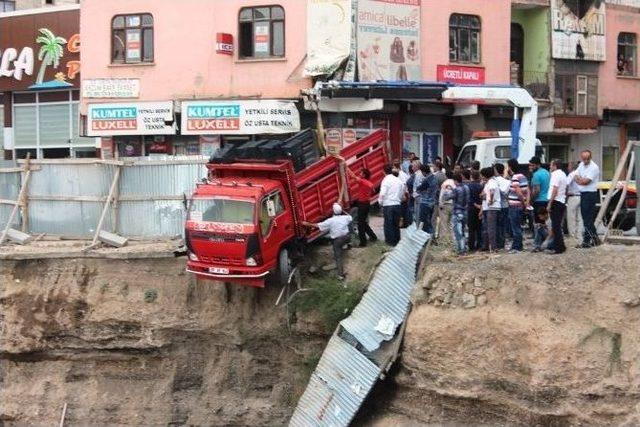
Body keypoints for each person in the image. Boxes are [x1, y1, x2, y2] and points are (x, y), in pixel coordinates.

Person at [303, 203, 352, 280]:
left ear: (333, 211)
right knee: (347, 232)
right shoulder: (345, 218)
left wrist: (307, 224)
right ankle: (348, 245)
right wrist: (342, 210)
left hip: (338, 240)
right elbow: (350, 217)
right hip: (347, 237)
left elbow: (317, 226)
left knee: (338, 257)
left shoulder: (330, 221)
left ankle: (340, 275)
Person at [574, 150, 601, 248]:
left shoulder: (594, 167)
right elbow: (575, 175)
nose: (585, 161)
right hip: (583, 194)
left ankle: (587, 241)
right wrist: (579, 179)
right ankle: (595, 239)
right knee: (586, 218)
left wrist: (579, 180)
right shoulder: (581, 164)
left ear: (590, 157)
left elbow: (586, 182)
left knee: (587, 219)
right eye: (583, 159)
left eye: (587, 159)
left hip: (590, 194)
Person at [347, 167, 378, 247]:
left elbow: (353, 176)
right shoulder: (369, 183)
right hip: (367, 203)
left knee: (361, 224)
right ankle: (373, 236)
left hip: (362, 204)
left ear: (364, 175)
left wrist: (346, 167)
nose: (359, 174)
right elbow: (373, 190)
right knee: (363, 222)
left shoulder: (362, 181)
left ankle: (363, 243)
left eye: (361, 173)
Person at [442, 173, 470, 255]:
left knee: (458, 232)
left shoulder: (456, 189)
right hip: (465, 211)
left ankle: (461, 250)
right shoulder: (466, 187)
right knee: (463, 230)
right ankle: (464, 247)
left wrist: (446, 190)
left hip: (457, 212)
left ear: (455, 180)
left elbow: (446, 197)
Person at [506, 158, 530, 253]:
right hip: (520, 205)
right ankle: (518, 245)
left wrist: (523, 203)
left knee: (515, 227)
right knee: (518, 226)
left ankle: (517, 247)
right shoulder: (523, 176)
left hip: (515, 205)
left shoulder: (515, 177)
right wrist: (526, 203)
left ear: (510, 167)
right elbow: (528, 190)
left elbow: (519, 193)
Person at [378, 164, 404, 246]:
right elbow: (401, 192)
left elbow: (382, 193)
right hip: (397, 204)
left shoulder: (385, 180)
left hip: (388, 205)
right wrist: (398, 199)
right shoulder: (398, 180)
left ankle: (390, 243)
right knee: (396, 224)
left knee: (389, 224)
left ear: (384, 171)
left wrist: (380, 202)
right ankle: (397, 241)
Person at [546, 159, 568, 254]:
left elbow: (555, 189)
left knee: (555, 226)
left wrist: (550, 203)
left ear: (555, 166)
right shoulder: (563, 174)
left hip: (556, 201)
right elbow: (566, 188)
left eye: (551, 165)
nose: (550, 167)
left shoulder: (555, 175)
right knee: (557, 225)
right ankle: (560, 245)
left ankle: (558, 248)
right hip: (561, 201)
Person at [529, 156, 550, 252]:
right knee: (544, 223)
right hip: (547, 200)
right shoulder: (547, 172)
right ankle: (545, 242)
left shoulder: (536, 175)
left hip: (539, 201)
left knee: (538, 224)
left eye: (532, 165)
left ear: (538, 165)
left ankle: (537, 245)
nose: (531, 167)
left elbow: (536, 190)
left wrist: (531, 200)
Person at [480, 167, 501, 252]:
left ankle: (493, 247)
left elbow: (492, 192)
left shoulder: (492, 182)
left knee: (491, 228)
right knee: (487, 228)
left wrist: (491, 200)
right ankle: (487, 245)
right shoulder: (488, 183)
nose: (481, 177)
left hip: (492, 207)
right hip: (488, 207)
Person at [416, 163, 438, 234]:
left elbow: (418, 189)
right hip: (432, 203)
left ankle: (428, 238)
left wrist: (419, 187)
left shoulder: (426, 180)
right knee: (429, 221)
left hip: (425, 203)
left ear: (424, 172)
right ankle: (432, 237)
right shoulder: (434, 177)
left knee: (424, 222)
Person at [565, 161, 583, 244]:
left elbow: (566, 183)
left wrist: (566, 193)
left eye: (568, 166)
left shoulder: (572, 174)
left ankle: (572, 235)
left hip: (573, 197)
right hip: (581, 196)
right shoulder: (581, 173)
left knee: (571, 217)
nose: (567, 168)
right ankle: (579, 235)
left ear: (572, 167)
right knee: (579, 218)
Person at [494, 163, 511, 249]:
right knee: (504, 225)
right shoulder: (508, 182)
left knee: (497, 225)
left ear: (496, 170)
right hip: (506, 205)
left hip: (496, 205)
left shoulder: (494, 181)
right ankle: (502, 243)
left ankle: (497, 243)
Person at [467, 170, 484, 251]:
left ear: (471, 177)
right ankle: (479, 245)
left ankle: (471, 246)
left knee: (471, 229)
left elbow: (468, 199)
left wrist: (474, 204)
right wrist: (479, 206)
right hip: (480, 208)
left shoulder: (468, 186)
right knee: (479, 228)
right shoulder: (481, 186)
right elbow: (482, 198)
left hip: (471, 209)